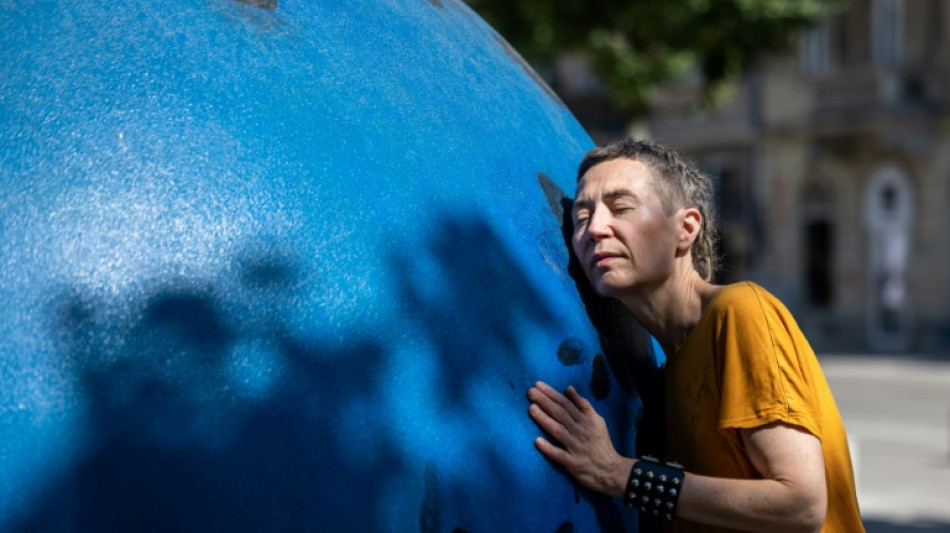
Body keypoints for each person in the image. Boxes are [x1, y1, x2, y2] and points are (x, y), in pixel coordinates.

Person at [528, 139, 864, 532]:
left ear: (685, 229)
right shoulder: (665, 376)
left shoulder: (740, 312)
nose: (596, 228)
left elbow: (800, 504)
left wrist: (619, 474)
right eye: (582, 217)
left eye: (621, 208)